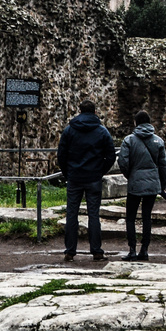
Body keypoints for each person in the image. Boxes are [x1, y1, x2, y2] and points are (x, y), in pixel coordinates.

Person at [55, 99, 114, 262]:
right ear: (95, 112)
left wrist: (67, 172)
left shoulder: (69, 130)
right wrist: (100, 170)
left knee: (72, 214)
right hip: (93, 177)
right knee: (93, 214)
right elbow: (110, 155)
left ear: (79, 111)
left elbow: (61, 154)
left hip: (74, 176)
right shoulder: (102, 131)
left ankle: (70, 251)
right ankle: (96, 250)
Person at [117, 109, 166, 261]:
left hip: (135, 182)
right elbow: (163, 165)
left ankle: (132, 249)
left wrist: (130, 175)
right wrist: (162, 184)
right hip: (153, 183)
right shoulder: (158, 141)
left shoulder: (129, 140)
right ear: (149, 122)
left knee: (130, 218)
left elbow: (123, 162)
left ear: (136, 122)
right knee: (147, 216)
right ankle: (144, 249)